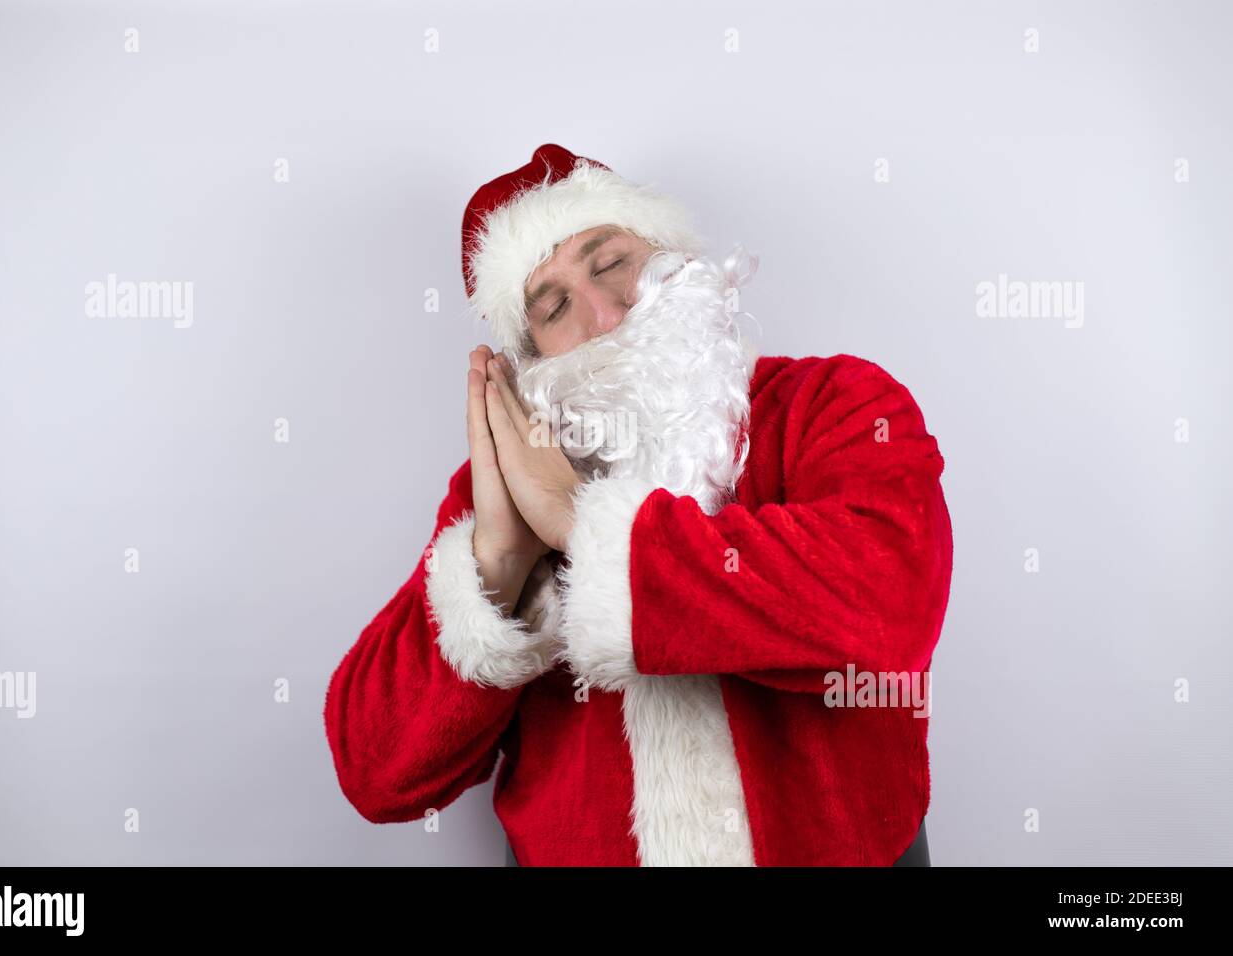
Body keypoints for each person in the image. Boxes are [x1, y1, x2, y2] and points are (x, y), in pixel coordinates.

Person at [323, 143, 953, 866]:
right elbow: (376, 774)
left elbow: (885, 613)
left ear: (674, 257)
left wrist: (581, 527)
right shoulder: (509, 490)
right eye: (554, 307)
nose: (602, 315)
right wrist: (498, 563)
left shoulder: (832, 404)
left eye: (610, 262)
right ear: (533, 364)